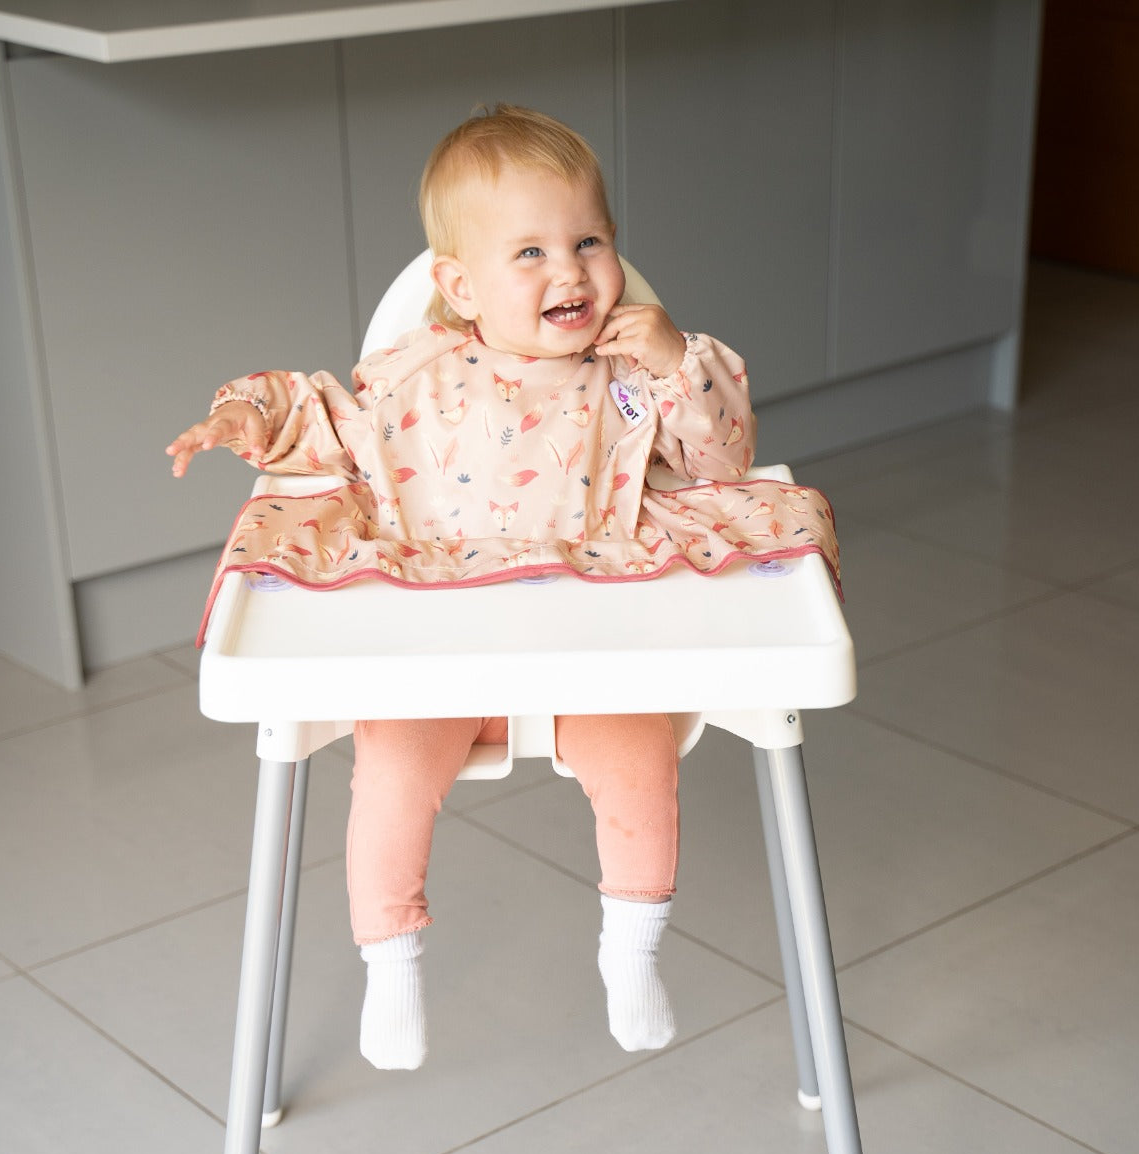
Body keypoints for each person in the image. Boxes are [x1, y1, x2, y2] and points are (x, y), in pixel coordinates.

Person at [167, 104, 839, 1071]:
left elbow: (723, 459)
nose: (569, 271)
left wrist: (675, 360)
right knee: (389, 772)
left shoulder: (628, 374)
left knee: (641, 757)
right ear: (459, 287)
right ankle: (391, 966)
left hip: (594, 649)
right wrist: (243, 415)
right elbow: (326, 423)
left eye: (589, 240)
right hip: (439, 656)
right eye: (528, 252)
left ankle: (632, 951)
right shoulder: (417, 378)